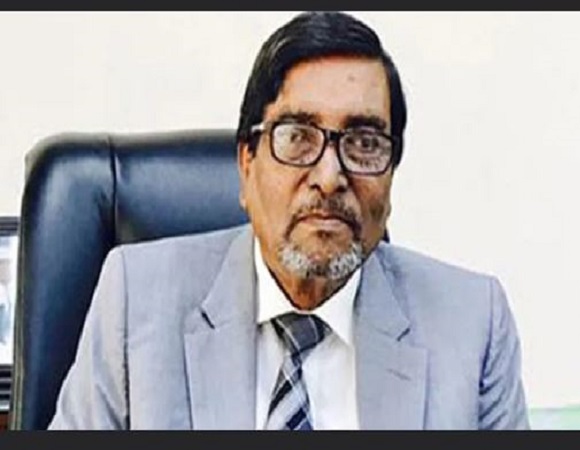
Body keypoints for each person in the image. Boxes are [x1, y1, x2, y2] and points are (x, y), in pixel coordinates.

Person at [48, 11, 529, 430]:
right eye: (298, 137)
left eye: (364, 143)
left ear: (391, 177)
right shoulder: (135, 302)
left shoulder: (473, 325)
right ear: (246, 164)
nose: (329, 177)